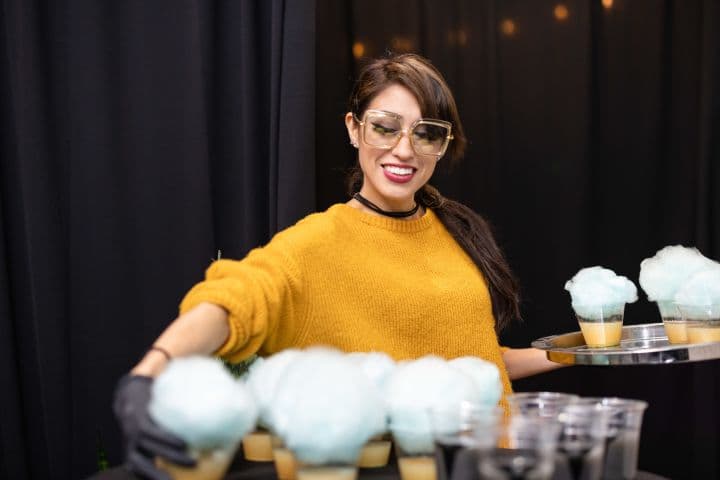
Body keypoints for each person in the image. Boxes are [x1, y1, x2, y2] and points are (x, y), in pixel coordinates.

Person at [113, 53, 564, 480]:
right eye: (385, 128)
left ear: (441, 145)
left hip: (500, 464)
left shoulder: (457, 230)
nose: (404, 149)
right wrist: (147, 375)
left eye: (425, 133)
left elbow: (475, 359)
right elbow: (231, 303)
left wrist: (580, 348)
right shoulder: (316, 244)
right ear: (354, 129)